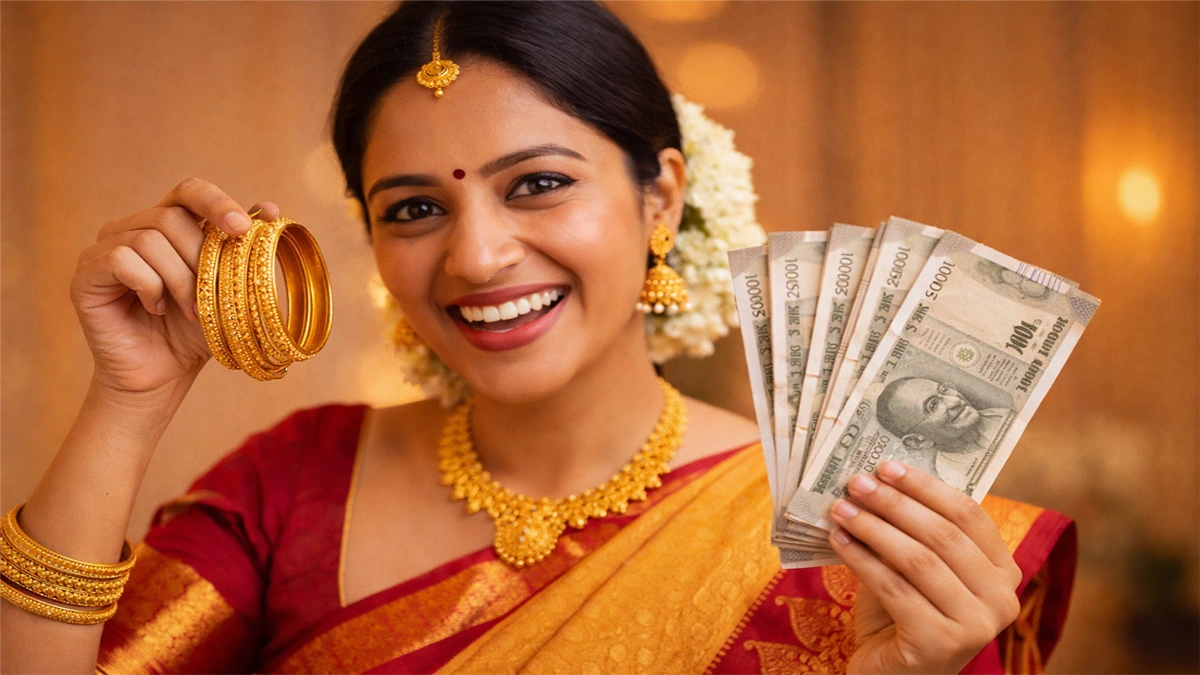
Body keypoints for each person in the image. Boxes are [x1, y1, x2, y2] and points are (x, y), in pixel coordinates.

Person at [0, 3, 1076, 674]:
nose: (475, 258)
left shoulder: (852, 528)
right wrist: (127, 398)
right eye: (414, 207)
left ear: (662, 197)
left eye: (541, 186)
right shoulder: (294, 484)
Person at [875, 378, 1011, 490]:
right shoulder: (954, 483)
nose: (955, 401)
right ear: (918, 441)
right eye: (933, 406)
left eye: (944, 391)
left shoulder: (1001, 415)